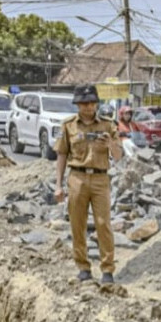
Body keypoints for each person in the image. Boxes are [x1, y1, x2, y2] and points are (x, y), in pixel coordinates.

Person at [54, 84, 123, 284]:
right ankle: (83, 267)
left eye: (91, 103)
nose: (88, 107)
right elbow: (61, 155)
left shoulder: (109, 125)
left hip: (101, 178)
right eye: (84, 103)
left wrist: (110, 144)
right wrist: (58, 185)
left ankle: (107, 269)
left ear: (96, 104)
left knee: (103, 224)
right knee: (78, 224)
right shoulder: (68, 126)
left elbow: (118, 156)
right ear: (77, 104)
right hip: (77, 177)